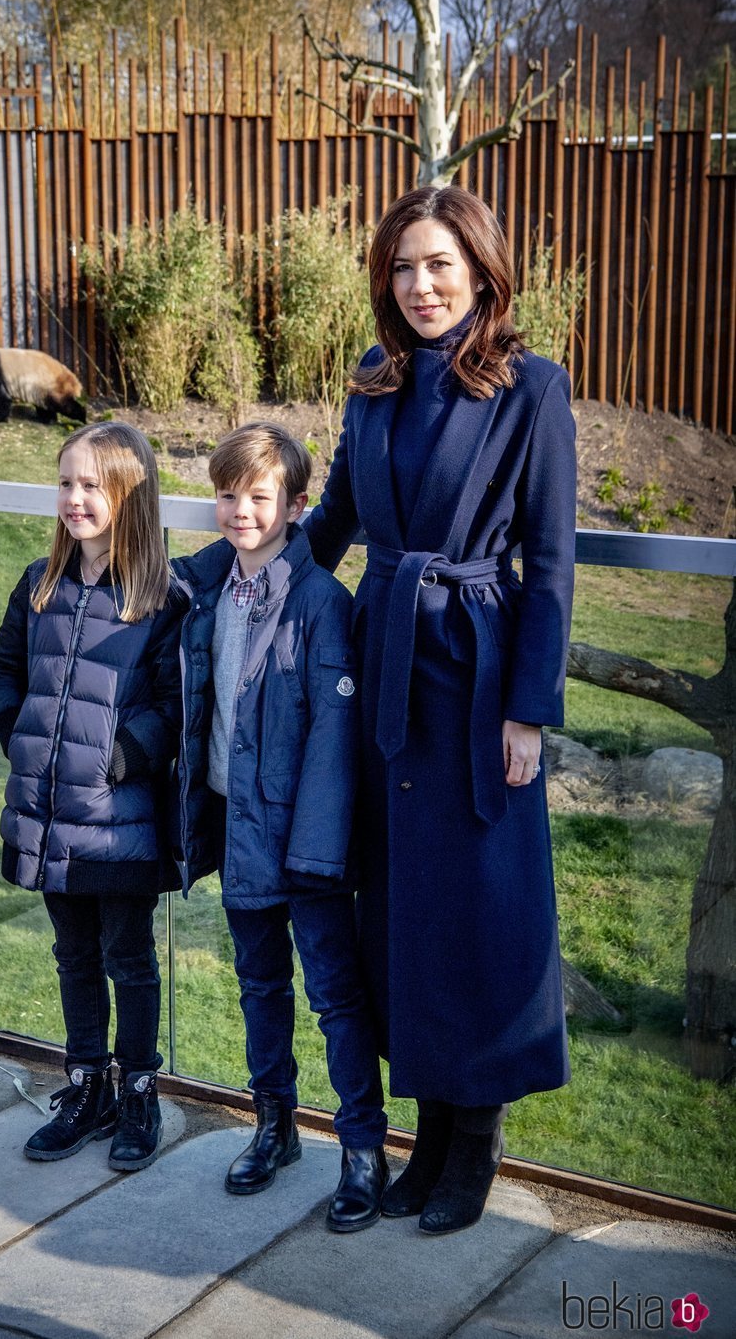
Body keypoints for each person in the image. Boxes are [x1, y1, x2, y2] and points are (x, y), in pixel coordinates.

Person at [305, 186, 577, 1236]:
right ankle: (425, 1139)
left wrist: (527, 710)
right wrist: (216, 577)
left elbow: (549, 565)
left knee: (480, 912)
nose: (418, 286)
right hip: (385, 676)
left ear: (479, 271)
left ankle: (475, 1144)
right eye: (402, 267)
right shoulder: (369, 389)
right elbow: (328, 522)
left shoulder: (529, 389)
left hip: (474, 677)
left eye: (437, 265)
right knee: (404, 914)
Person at [171, 422, 389, 1233]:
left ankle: (363, 1147)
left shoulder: (322, 605)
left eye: (258, 498)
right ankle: (274, 1126)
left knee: (334, 997)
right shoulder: (208, 592)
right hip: (237, 829)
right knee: (259, 986)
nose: (240, 512)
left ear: (297, 505)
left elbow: (335, 746)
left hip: (308, 842)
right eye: (227, 496)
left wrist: (319, 852)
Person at [0, 421, 182, 1173]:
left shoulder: (159, 598)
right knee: (73, 956)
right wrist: (19, 732)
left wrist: (122, 758)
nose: (75, 497)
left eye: (92, 484)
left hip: (117, 824)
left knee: (128, 958)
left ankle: (138, 1094)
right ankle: (86, 1085)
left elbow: (171, 706)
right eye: (66, 482)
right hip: (44, 817)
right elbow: (5, 673)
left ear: (130, 497)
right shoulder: (38, 584)